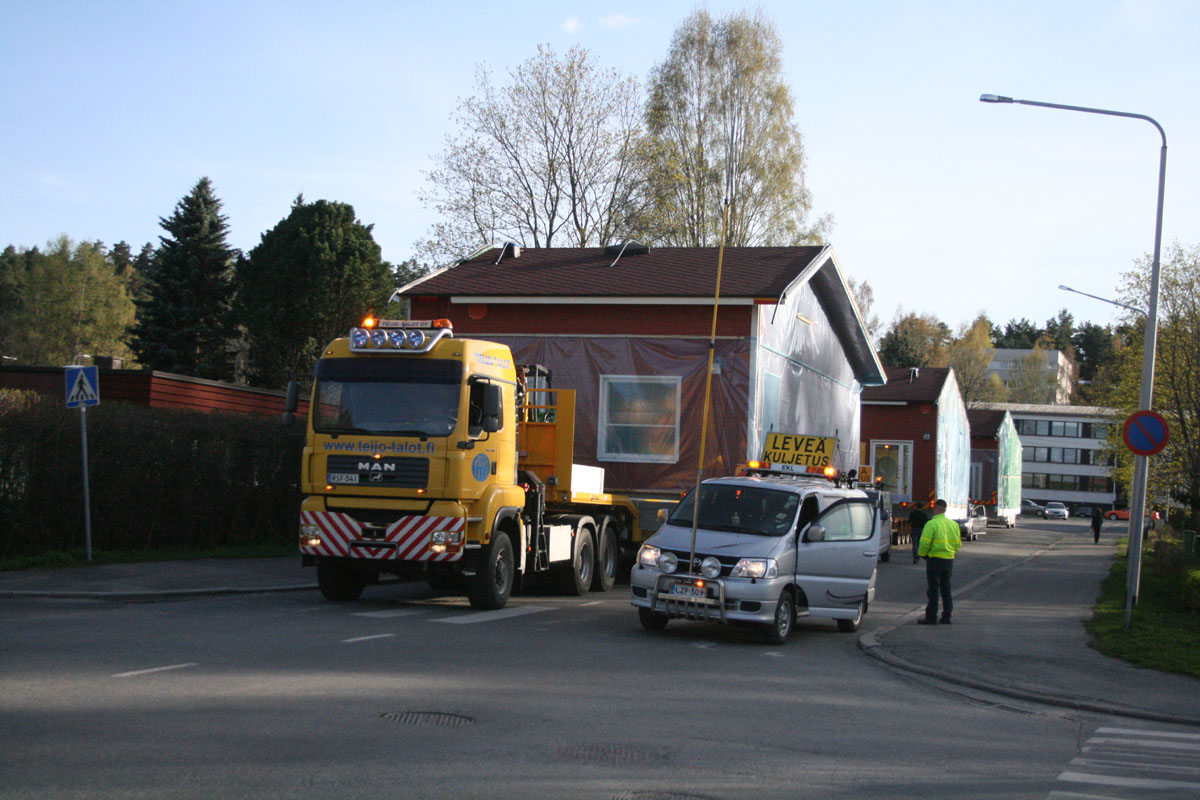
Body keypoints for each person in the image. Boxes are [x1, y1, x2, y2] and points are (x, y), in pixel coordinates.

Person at [917, 499, 962, 625]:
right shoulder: (954, 525)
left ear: (935, 509)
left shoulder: (931, 524)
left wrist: (922, 554)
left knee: (933, 590)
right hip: (948, 560)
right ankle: (947, 616)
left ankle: (931, 617)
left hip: (935, 560)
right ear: (945, 510)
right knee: (946, 588)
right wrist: (952, 553)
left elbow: (924, 543)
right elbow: (957, 544)